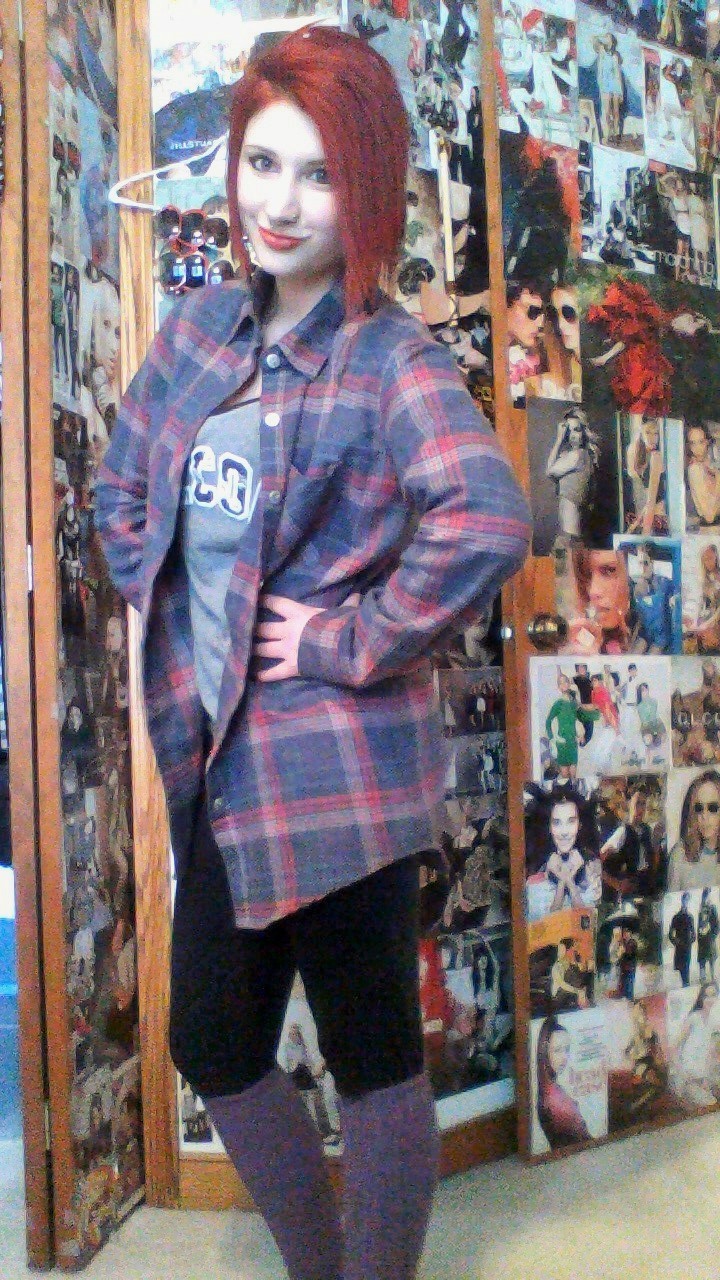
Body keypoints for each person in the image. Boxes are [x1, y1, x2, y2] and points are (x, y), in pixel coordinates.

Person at [94, 28, 530, 1280]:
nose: (279, 202)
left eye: (321, 173)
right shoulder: (195, 334)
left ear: (368, 189)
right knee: (213, 1038)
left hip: (337, 772)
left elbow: (488, 517)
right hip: (213, 756)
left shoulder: (391, 360)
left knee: (372, 1049)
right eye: (261, 162)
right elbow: (121, 487)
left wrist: (347, 638)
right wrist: (163, 586)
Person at [535, 1015, 592, 1149]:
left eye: (567, 1049)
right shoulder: (553, 1098)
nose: (564, 1057)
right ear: (544, 1053)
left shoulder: (549, 1089)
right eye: (557, 1050)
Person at [544, 409, 600, 544]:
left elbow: (549, 471)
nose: (572, 435)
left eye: (577, 430)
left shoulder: (577, 456)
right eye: (568, 431)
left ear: (584, 432)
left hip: (571, 522)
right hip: (571, 522)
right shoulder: (582, 455)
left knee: (568, 550)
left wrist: (558, 440)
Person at [668, 769, 720, 891]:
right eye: (699, 808)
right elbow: (672, 900)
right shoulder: (679, 855)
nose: (704, 816)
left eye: (712, 808)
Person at [669, 892, 696, 987]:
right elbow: (670, 934)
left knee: (686, 966)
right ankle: (684, 984)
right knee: (680, 966)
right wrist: (676, 941)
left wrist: (690, 941)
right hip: (679, 945)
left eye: (687, 900)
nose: (685, 902)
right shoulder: (676, 917)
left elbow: (693, 933)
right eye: (684, 899)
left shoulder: (690, 917)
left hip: (687, 946)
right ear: (682, 900)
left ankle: (686, 984)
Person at [697, 887, 719, 982]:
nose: (706, 897)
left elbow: (717, 924)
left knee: (711, 959)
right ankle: (702, 977)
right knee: (702, 960)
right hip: (702, 939)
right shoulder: (701, 909)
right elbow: (699, 924)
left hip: (710, 939)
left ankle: (713, 976)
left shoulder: (712, 908)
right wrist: (699, 934)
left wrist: (713, 935)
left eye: (708, 895)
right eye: (705, 895)